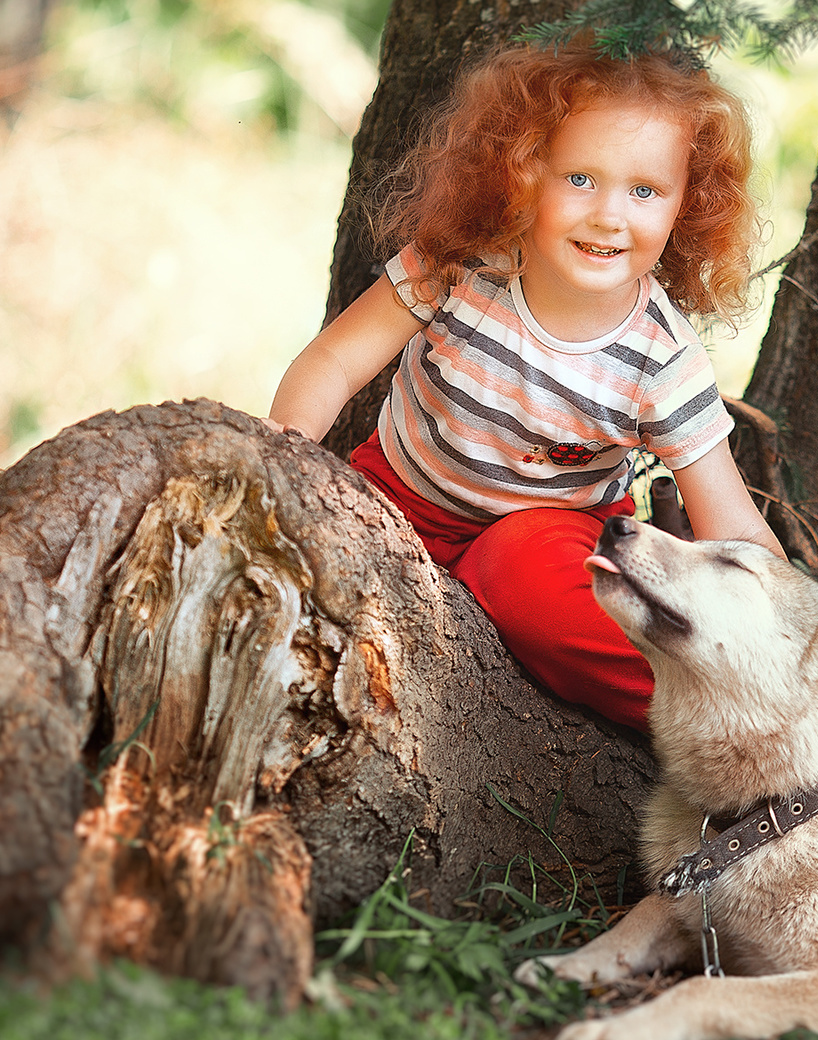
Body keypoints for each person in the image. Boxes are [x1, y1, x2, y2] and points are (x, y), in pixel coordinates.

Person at [268, 42, 783, 734]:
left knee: (534, 583)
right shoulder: (460, 267)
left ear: (686, 203)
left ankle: (720, 718)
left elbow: (735, 523)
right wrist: (281, 454)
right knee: (311, 553)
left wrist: (788, 639)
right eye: (579, 178)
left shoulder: (662, 360)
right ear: (524, 169)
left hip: (549, 541)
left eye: (644, 190)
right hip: (399, 499)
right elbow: (334, 360)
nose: (609, 215)